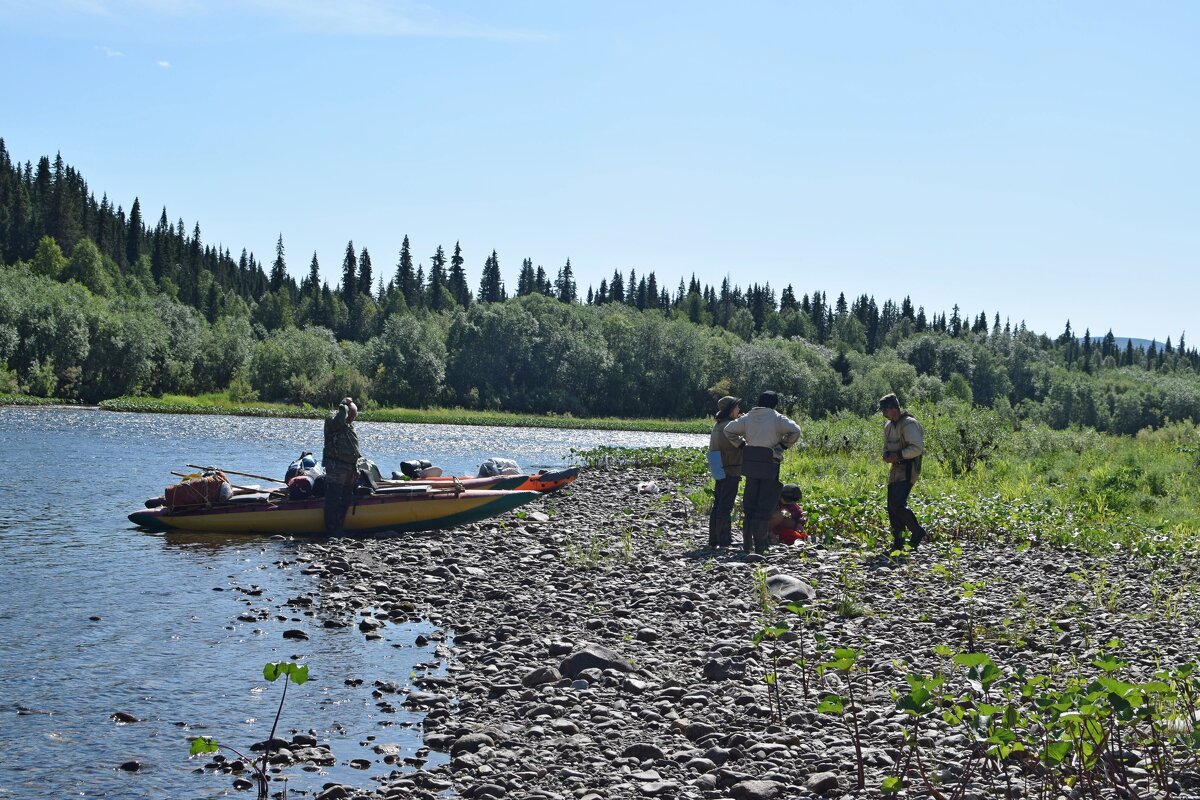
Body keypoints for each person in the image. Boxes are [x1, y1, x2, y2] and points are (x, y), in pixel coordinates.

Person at [723, 390, 802, 554]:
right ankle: (760, 545)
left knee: (750, 505)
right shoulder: (777, 417)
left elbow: (728, 430)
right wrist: (782, 446)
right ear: (774, 404)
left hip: (751, 465)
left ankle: (746, 544)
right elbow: (796, 430)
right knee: (764, 506)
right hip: (769, 465)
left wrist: (742, 445)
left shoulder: (748, 417)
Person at [880, 392, 927, 551]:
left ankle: (917, 532)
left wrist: (898, 455)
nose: (883, 413)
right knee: (892, 507)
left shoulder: (909, 424)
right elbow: (886, 447)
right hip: (895, 469)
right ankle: (898, 542)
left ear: (893, 408)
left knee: (899, 504)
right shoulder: (888, 427)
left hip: (908, 468)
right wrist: (886, 455)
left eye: (885, 410)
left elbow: (917, 448)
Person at [708, 396, 744, 548]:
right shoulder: (729, 426)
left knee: (718, 504)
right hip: (730, 467)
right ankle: (724, 539)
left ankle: (714, 539)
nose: (739, 410)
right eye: (736, 407)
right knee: (725, 505)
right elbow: (742, 444)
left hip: (717, 466)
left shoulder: (718, 425)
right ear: (730, 409)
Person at [322, 396, 361, 535]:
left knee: (345, 499)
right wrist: (344, 405)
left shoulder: (350, 426)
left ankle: (339, 527)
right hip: (336, 467)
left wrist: (356, 468)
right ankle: (331, 529)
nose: (352, 418)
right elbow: (339, 419)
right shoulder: (333, 422)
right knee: (333, 499)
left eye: (353, 416)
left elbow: (354, 449)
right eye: (350, 414)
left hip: (349, 469)